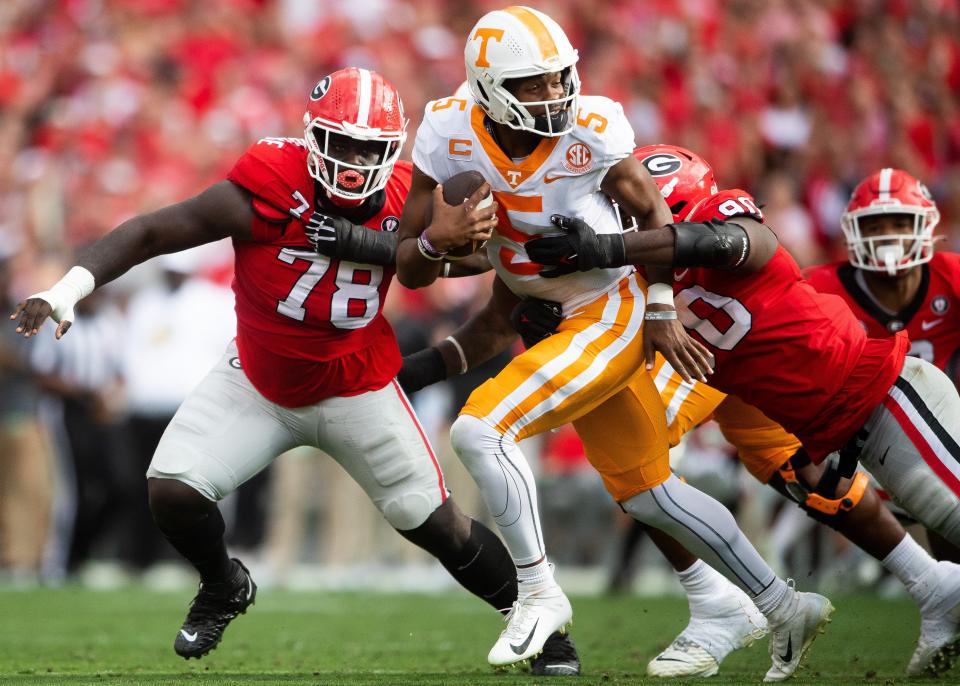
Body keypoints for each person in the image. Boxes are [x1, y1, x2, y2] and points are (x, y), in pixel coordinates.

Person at [10, 67, 574, 675]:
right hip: (259, 379)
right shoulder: (269, 184)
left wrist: (536, 286)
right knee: (171, 491)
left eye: (370, 147)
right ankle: (223, 584)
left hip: (356, 385)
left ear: (394, 150)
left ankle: (546, 631)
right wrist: (70, 287)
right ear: (312, 138)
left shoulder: (410, 197)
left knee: (438, 525)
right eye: (343, 142)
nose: (356, 159)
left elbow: (454, 263)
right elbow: (152, 230)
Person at [396, 7, 832, 682]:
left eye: (557, 77)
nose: (553, 94)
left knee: (481, 430)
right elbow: (410, 265)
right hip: (559, 318)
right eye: (534, 84)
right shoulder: (446, 132)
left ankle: (538, 593)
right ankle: (777, 604)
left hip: (611, 309)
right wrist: (435, 243)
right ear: (486, 88)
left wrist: (660, 306)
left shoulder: (592, 125)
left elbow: (654, 212)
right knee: (647, 490)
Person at [522, 146, 960, 677]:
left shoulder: (725, 217)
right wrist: (552, 319)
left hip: (879, 390)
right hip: (821, 413)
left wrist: (608, 248)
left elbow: (727, 242)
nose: (631, 226)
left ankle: (721, 606)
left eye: (642, 215)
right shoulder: (638, 279)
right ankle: (930, 589)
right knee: (655, 453)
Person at [804, 168, 960, 563]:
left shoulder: (952, 276)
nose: (888, 234)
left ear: (924, 225)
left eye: (900, 222)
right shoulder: (819, 287)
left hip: (938, 437)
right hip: (854, 451)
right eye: (875, 224)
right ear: (854, 230)